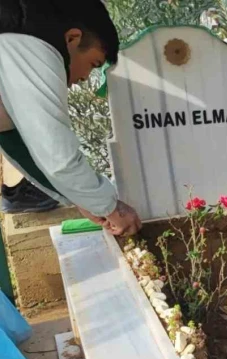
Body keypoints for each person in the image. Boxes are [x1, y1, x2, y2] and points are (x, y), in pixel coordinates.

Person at [0, 0, 141, 235]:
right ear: (73, 39)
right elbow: (56, 155)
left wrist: (84, 200)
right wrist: (110, 206)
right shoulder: (31, 41)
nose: (85, 77)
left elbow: (14, 139)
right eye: (93, 64)